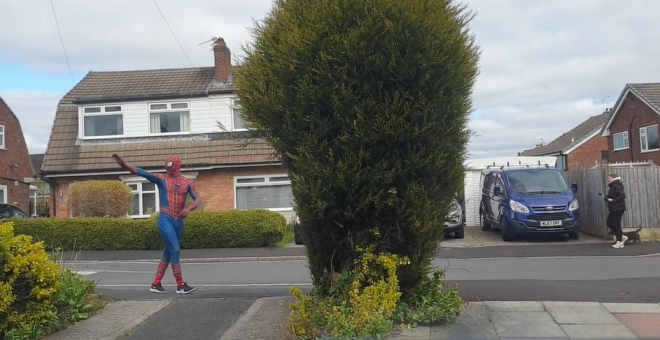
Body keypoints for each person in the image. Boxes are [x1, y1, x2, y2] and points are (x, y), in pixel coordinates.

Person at [112, 153, 200, 293]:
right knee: (175, 250)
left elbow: (197, 200)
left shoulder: (187, 183)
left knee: (168, 252)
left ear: (176, 165)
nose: (167, 167)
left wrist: (188, 209)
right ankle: (180, 284)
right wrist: (125, 166)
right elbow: (144, 173)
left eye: (169, 164)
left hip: (179, 221)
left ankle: (156, 283)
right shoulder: (162, 179)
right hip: (166, 219)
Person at [604, 173, 627, 249]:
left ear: (614, 178)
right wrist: (606, 197)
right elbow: (611, 196)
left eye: (609, 178)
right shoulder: (612, 186)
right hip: (613, 208)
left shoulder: (617, 186)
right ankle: (621, 236)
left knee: (617, 224)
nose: (608, 179)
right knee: (609, 223)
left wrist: (613, 200)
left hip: (618, 208)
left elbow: (622, 195)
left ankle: (620, 242)